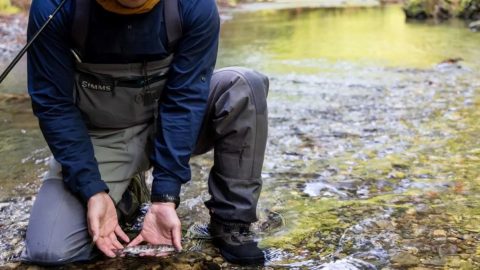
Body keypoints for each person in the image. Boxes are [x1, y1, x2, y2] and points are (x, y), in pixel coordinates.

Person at [21, 0, 269, 266]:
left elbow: (184, 101)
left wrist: (165, 197)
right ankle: (126, 194)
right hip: (102, 136)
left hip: (173, 123)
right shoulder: (54, 7)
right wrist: (92, 188)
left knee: (243, 86)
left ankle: (231, 222)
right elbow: (54, 105)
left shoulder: (194, 6)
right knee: (50, 251)